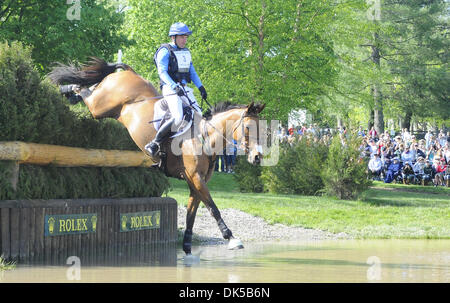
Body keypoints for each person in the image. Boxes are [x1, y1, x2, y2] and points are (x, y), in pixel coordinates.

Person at [145, 22, 207, 158]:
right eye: (182, 37)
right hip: (170, 88)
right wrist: (174, 86)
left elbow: (192, 72)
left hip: (184, 88)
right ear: (173, 37)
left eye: (186, 37)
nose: (185, 40)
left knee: (199, 113)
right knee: (178, 117)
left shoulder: (185, 52)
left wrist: (201, 87)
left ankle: (189, 146)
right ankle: (154, 143)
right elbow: (162, 72)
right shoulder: (164, 51)